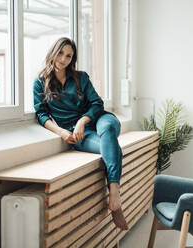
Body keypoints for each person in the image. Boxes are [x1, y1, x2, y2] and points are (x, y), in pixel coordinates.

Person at [33, 37, 128, 230]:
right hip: (78, 135)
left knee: (108, 131)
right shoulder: (40, 83)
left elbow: (97, 103)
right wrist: (62, 132)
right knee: (110, 148)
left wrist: (81, 121)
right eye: (61, 53)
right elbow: (41, 114)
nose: (63, 59)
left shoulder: (81, 77)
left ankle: (114, 192)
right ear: (53, 52)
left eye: (69, 56)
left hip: (99, 120)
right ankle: (115, 200)